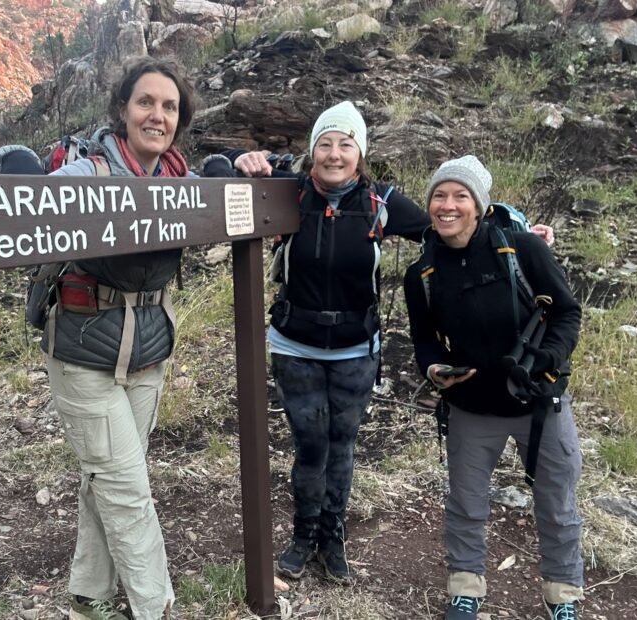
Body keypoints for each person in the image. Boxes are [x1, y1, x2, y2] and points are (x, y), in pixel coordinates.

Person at [0, 55, 197, 620]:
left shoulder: (182, 181)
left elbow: (238, 199)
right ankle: (157, 607)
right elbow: (20, 215)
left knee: (109, 476)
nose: (157, 115)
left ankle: (88, 592)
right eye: (145, 102)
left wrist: (253, 166)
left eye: (169, 106)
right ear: (123, 110)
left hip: (148, 353)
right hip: (83, 351)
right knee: (126, 486)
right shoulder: (87, 174)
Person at [203, 101, 433, 585]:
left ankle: (333, 538)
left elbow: (448, 223)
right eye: (324, 144)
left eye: (345, 144)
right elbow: (215, 168)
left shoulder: (382, 202)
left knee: (342, 446)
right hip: (295, 347)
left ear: (360, 153)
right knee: (310, 448)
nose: (334, 154)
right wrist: (237, 160)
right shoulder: (288, 190)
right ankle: (302, 536)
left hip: (355, 350)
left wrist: (515, 226)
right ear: (311, 153)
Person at [403, 156, 583, 620]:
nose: (447, 205)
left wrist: (547, 361)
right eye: (439, 196)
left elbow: (566, 312)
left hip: (539, 402)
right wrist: (434, 371)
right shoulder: (421, 273)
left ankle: (562, 595)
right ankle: (465, 588)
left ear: (480, 205)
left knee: (556, 503)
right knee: (465, 503)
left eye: (460, 196)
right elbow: (424, 340)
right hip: (471, 406)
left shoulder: (524, 250)